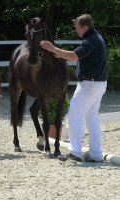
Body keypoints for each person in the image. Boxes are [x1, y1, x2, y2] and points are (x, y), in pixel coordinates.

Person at [40, 14, 107, 162]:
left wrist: (53, 48)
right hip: (99, 84)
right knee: (92, 118)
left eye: (77, 28)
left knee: (74, 115)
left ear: (85, 27)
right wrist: (61, 54)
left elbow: (74, 56)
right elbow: (78, 56)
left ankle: (75, 152)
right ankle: (96, 154)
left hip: (89, 85)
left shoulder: (91, 40)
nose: (76, 30)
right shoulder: (95, 37)